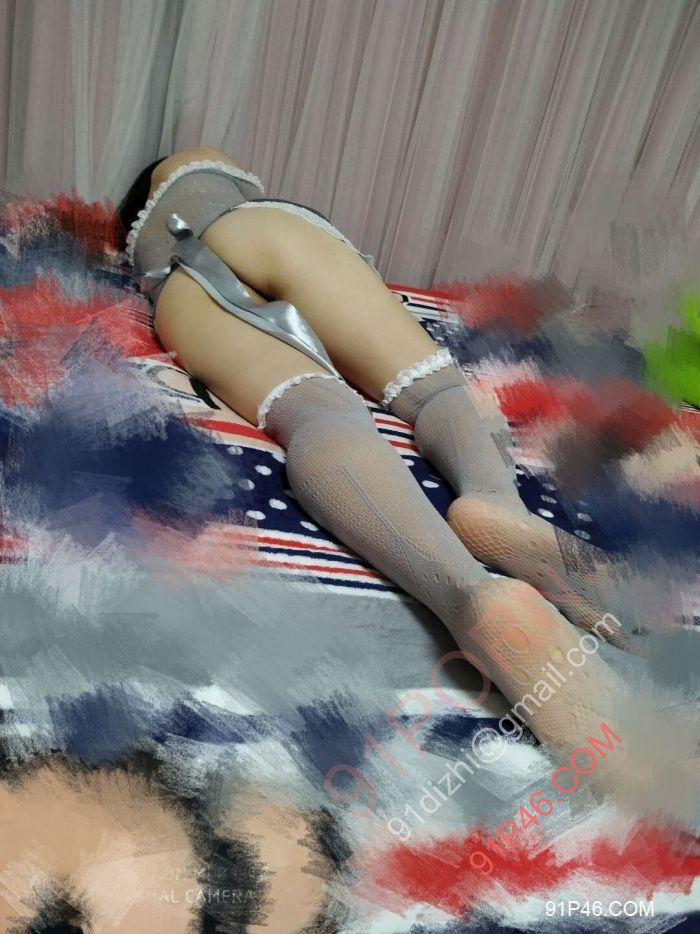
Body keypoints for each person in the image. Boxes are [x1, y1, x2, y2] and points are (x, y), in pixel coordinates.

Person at [116, 144, 633, 755]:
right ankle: (497, 502)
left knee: (319, 415)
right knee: (436, 388)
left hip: (176, 277)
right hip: (271, 228)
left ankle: (468, 593)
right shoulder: (210, 166)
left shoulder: (141, 225)